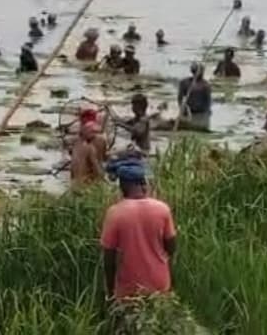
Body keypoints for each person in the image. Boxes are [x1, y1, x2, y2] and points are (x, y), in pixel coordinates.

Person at [101, 160, 177, 302]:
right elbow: (171, 248)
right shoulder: (162, 209)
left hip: (129, 289)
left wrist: (110, 291)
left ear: (122, 187)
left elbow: (108, 258)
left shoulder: (115, 213)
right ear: (144, 184)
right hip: (159, 284)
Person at [70, 116, 107, 187]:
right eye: (94, 133)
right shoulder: (90, 148)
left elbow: (72, 169)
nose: (96, 135)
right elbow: (96, 167)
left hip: (76, 183)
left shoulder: (76, 145)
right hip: (86, 184)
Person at [176, 64, 212, 128]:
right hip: (189, 111)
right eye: (201, 72)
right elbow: (180, 98)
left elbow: (208, 101)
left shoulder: (206, 85)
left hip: (201, 112)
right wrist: (182, 108)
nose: (202, 74)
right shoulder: (185, 83)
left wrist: (207, 111)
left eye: (203, 71)